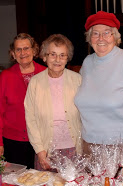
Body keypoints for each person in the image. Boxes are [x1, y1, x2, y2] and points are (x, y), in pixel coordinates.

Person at [74, 11, 123, 181]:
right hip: (90, 144)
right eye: (96, 33)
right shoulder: (87, 62)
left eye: (107, 32)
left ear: (115, 36)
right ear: (89, 37)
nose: (101, 38)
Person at [24, 34, 82, 170]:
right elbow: (30, 119)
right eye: (53, 54)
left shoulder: (78, 80)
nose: (57, 60)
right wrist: (40, 150)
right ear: (44, 56)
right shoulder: (35, 83)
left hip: (73, 149)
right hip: (46, 151)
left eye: (62, 55)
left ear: (68, 58)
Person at [0, 33, 46, 168]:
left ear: (34, 50)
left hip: (42, 140)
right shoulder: (5, 77)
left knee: (42, 181)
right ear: (13, 54)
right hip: (13, 141)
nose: (23, 53)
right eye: (18, 49)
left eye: (26, 48)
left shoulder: (45, 74)